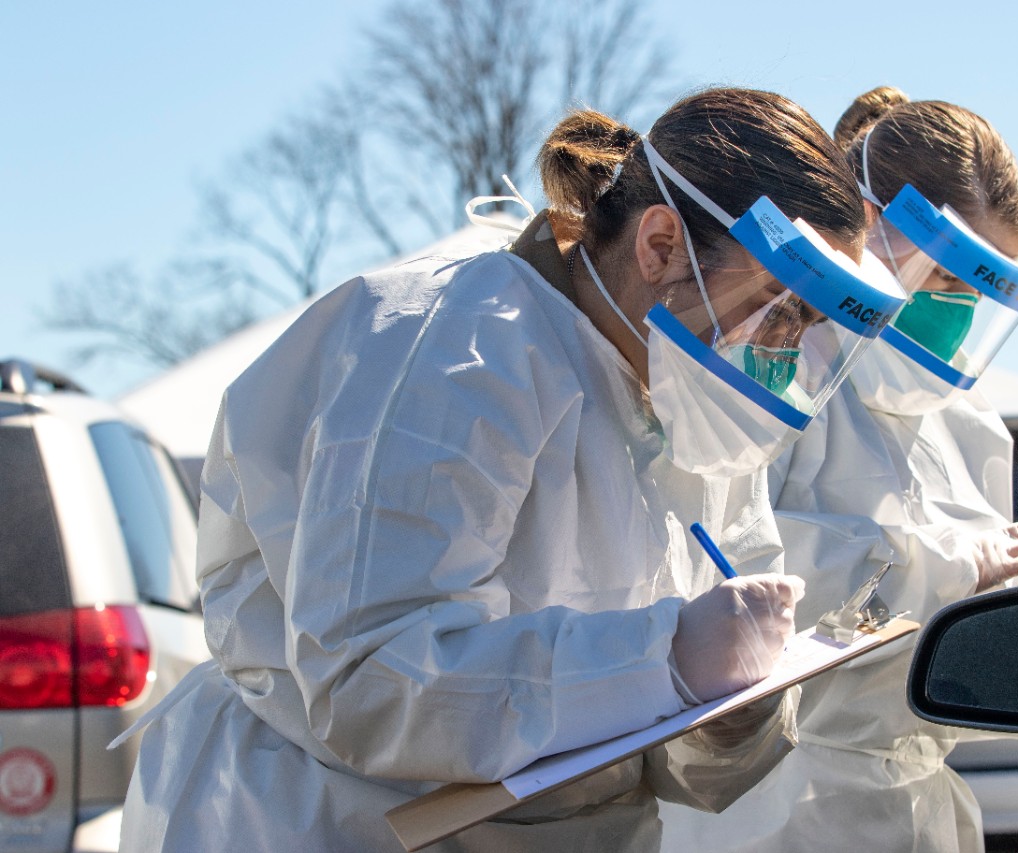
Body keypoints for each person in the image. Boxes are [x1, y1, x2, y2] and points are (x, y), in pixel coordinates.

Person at [115, 87, 908, 852]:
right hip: (322, 822)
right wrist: (664, 657)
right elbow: (371, 682)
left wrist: (737, 716)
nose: (779, 351)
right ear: (661, 244)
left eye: (802, 326)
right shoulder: (458, 346)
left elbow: (671, 747)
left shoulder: (691, 402)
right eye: (773, 304)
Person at [659, 86, 1018, 852]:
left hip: (915, 802)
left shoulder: (969, 420)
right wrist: (948, 569)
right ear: (872, 229)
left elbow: (942, 677)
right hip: (775, 806)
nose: (956, 308)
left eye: (977, 290)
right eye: (946, 277)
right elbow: (715, 567)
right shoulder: (775, 366)